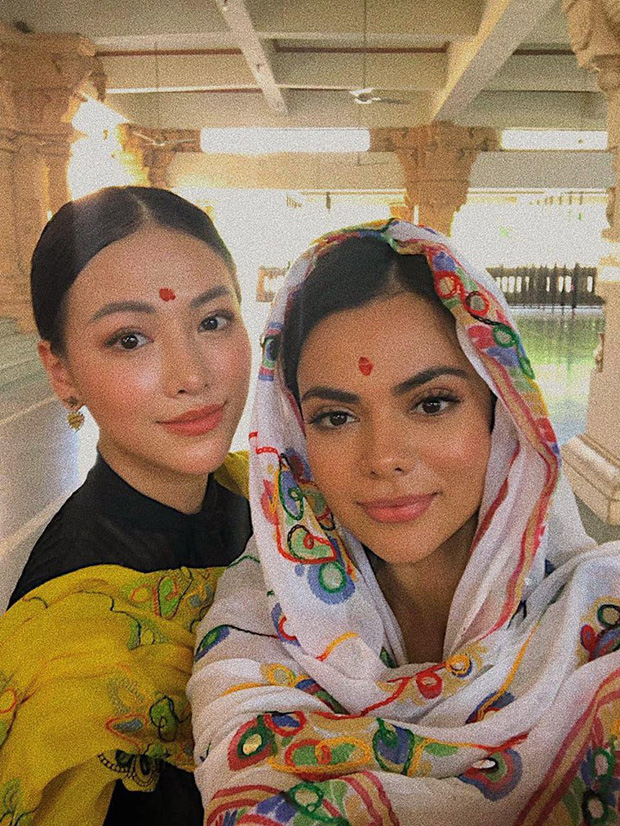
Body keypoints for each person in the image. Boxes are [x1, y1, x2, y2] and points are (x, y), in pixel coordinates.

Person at [189, 219, 620, 825]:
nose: (384, 457)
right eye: (336, 417)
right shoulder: (254, 628)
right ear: (296, 442)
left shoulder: (600, 622)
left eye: (431, 403)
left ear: (503, 415)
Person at [0, 186, 252, 825]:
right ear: (61, 373)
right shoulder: (67, 639)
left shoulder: (271, 504)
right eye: (130, 339)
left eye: (212, 321)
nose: (191, 375)